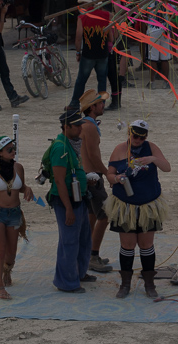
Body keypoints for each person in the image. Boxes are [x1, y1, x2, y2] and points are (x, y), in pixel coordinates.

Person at [105, 120, 170, 299]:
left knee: (146, 245)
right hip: (124, 204)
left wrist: (153, 159)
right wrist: (117, 178)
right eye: (135, 136)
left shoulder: (152, 147)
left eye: (142, 137)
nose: (138, 140)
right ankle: (125, 284)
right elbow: (109, 175)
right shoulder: (119, 149)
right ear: (129, 133)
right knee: (127, 245)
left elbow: (167, 168)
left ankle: (150, 284)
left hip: (149, 203)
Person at [0, 136, 33, 299]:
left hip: (15, 213)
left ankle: (7, 270)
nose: (13, 151)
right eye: (9, 149)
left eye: (13, 148)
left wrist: (27, 188)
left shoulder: (19, 167)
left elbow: (20, 186)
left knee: (11, 253)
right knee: (0, 250)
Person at [48, 108, 95, 293]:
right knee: (69, 242)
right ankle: (66, 282)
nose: (80, 130)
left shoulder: (71, 144)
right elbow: (59, 180)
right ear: (66, 127)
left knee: (84, 239)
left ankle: (79, 273)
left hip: (79, 199)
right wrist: (68, 208)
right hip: (66, 201)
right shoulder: (60, 147)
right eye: (76, 126)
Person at [78, 89, 114, 273]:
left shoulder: (84, 125)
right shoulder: (90, 127)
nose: (103, 105)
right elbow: (93, 155)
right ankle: (93, 255)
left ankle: (88, 254)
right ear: (92, 107)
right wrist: (107, 173)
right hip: (93, 176)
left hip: (86, 176)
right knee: (105, 215)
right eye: (100, 103)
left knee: (92, 216)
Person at [68, 0, 112, 109]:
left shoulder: (82, 17)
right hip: (103, 53)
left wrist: (78, 52)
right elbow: (111, 36)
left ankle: (74, 103)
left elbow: (78, 38)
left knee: (81, 79)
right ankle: (101, 104)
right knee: (102, 79)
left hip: (88, 53)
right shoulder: (107, 15)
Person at [103, 0, 129, 110]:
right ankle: (121, 80)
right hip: (116, 29)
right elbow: (119, 12)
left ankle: (116, 95)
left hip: (112, 28)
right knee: (119, 56)